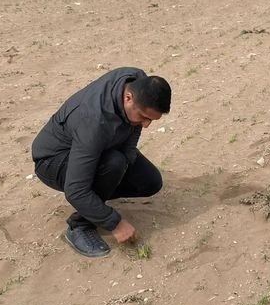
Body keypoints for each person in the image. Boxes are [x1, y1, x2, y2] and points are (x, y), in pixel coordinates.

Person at [32, 68, 171, 257]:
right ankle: (80, 226)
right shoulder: (93, 121)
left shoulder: (136, 80)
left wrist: (127, 159)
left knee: (149, 181)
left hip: (97, 144)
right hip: (53, 160)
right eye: (144, 117)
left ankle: (96, 199)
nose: (146, 124)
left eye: (152, 120)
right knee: (114, 164)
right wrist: (116, 223)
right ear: (128, 98)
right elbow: (75, 190)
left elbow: (133, 131)